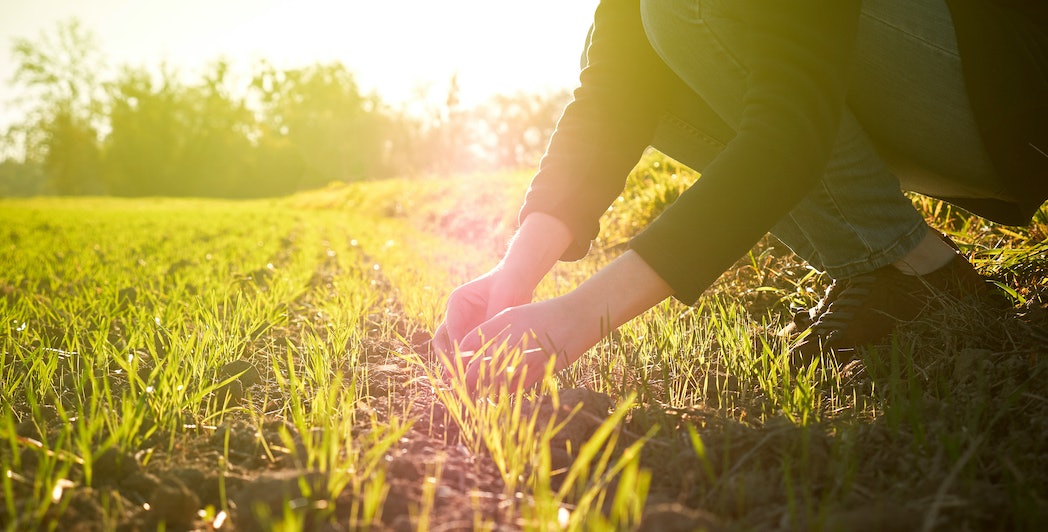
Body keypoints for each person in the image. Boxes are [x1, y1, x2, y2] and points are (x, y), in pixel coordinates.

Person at [432, 0, 1048, 390]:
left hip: (1017, 87)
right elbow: (612, 95)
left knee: (683, 10)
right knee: (647, 45)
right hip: (953, 105)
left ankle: (911, 265)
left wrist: (577, 317)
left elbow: (792, 129)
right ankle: (902, 264)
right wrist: (513, 276)